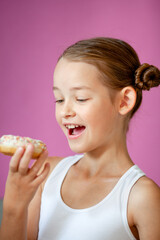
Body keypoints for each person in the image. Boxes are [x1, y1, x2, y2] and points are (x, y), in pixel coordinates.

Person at [0, 37, 160, 240]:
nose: (65, 111)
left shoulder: (142, 197)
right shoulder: (45, 176)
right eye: (59, 99)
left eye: (80, 98)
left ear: (124, 101)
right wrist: (14, 206)